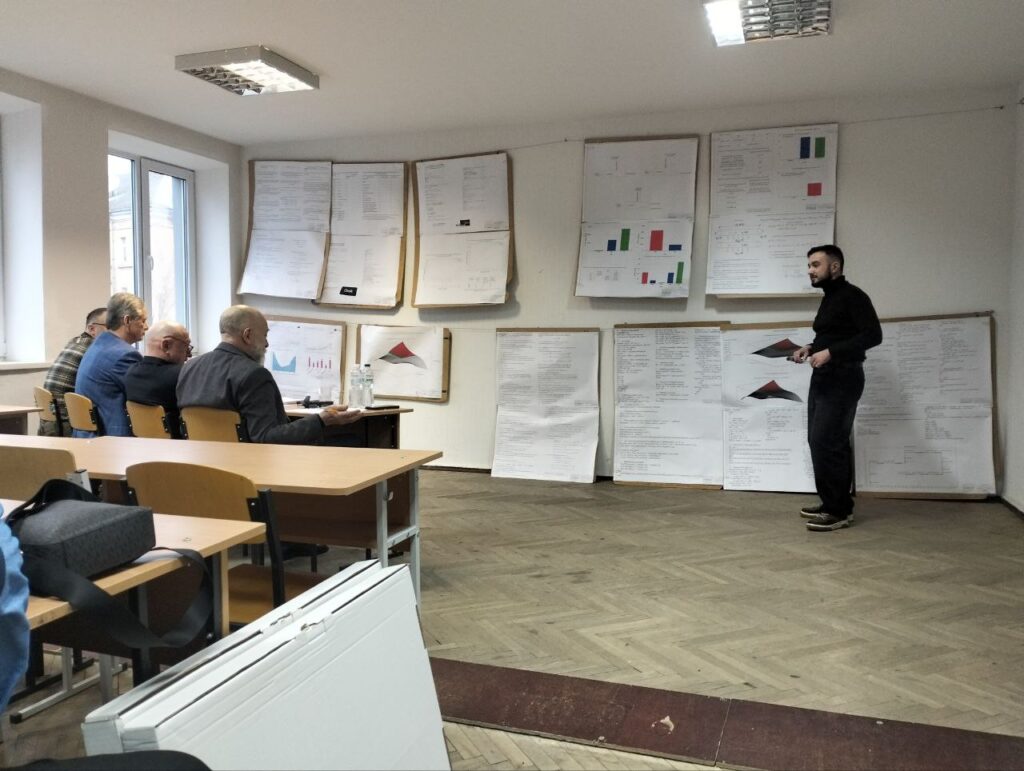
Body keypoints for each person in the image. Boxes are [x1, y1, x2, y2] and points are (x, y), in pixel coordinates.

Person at [790, 245, 882, 531]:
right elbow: (833, 334)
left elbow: (873, 335)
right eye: (809, 265)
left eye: (815, 264)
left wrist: (830, 353)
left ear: (835, 266)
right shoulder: (830, 298)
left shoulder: (854, 296)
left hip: (844, 377)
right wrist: (810, 347)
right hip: (824, 378)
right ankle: (832, 502)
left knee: (829, 441)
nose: (810, 270)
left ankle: (839, 511)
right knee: (818, 441)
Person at [176, 305, 361, 444]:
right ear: (247, 335)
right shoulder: (253, 374)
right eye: (264, 335)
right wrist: (321, 420)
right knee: (351, 441)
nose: (266, 344)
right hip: (252, 468)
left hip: (204, 467)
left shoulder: (189, 368)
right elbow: (266, 438)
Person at [72, 293, 148, 437]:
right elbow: (145, 397)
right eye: (143, 321)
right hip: (113, 439)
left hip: (87, 436)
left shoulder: (97, 346)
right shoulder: (125, 355)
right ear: (127, 320)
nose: (146, 327)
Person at [38, 307, 107, 436]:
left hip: (50, 420)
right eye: (110, 326)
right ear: (92, 329)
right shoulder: (94, 348)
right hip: (65, 421)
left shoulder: (75, 341)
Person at [124, 321, 193, 439]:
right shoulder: (183, 375)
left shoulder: (130, 373)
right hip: (180, 446)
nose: (189, 354)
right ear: (166, 345)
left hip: (144, 445)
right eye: (186, 346)